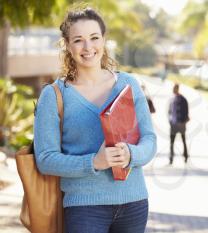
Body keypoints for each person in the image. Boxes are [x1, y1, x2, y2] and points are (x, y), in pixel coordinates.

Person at [34, 7, 157, 233]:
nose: (88, 47)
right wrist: (94, 162)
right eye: (78, 40)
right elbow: (45, 159)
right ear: (68, 46)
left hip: (134, 203)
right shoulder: (53, 95)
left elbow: (149, 139)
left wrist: (131, 154)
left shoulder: (128, 84)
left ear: (104, 40)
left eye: (94, 38)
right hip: (84, 208)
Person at [168, 83, 189, 165]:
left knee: (183, 141)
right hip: (173, 124)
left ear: (177, 89)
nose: (173, 90)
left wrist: (183, 121)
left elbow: (186, 111)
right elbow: (169, 111)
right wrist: (170, 121)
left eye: (174, 88)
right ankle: (171, 158)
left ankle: (186, 156)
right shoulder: (172, 99)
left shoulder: (182, 99)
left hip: (180, 124)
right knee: (172, 142)